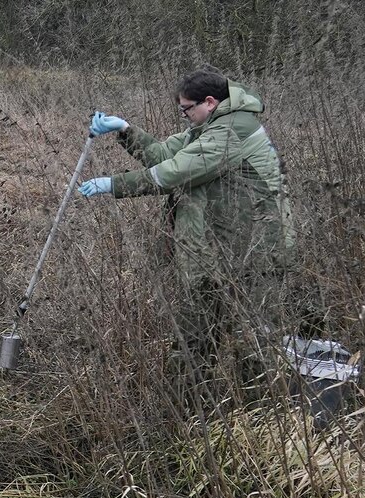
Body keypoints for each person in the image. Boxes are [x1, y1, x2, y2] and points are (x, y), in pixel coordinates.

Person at [78, 68, 295, 397]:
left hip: (255, 253)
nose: (184, 116)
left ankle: (259, 415)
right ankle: (192, 410)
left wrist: (114, 184)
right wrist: (124, 128)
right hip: (218, 249)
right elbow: (165, 154)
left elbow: (175, 172)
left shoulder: (231, 131)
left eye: (186, 109)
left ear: (209, 102)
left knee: (250, 345)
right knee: (195, 336)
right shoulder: (210, 126)